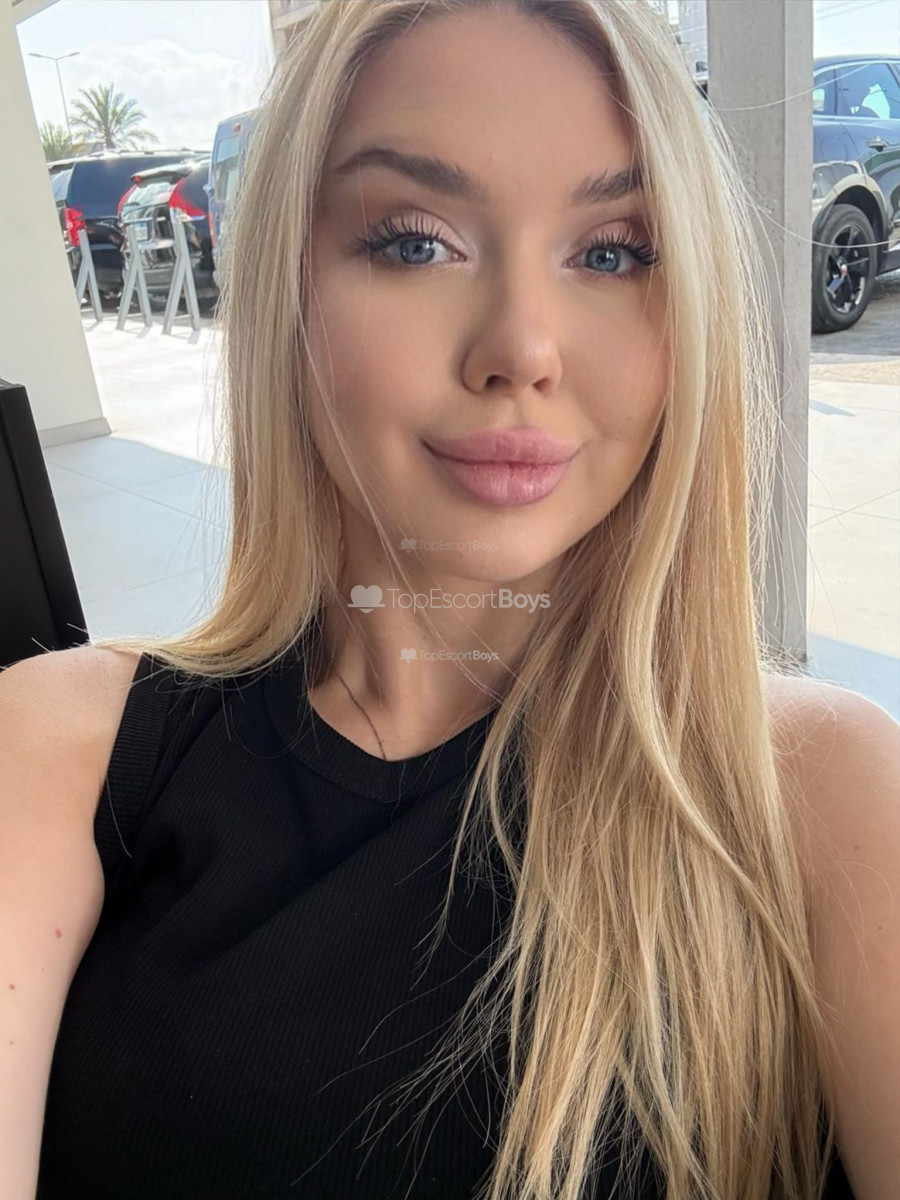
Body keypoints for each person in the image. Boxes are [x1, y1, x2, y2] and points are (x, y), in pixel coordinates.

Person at [1, 2, 897, 1198]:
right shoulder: (59, 752)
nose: (522, 347)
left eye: (613, 252)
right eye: (415, 242)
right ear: (288, 289)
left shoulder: (826, 794)